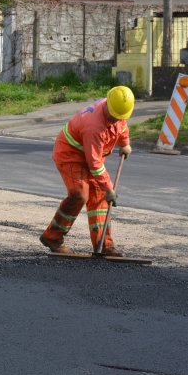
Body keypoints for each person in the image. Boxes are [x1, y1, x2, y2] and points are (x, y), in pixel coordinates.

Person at [40, 86, 134, 257]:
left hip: (89, 155)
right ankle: (52, 237)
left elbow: (121, 125)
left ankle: (104, 245)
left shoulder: (117, 108)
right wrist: (110, 188)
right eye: (114, 116)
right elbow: (95, 164)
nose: (116, 119)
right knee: (80, 194)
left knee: (99, 197)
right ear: (108, 107)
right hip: (70, 154)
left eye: (120, 117)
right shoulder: (94, 126)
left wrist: (124, 143)